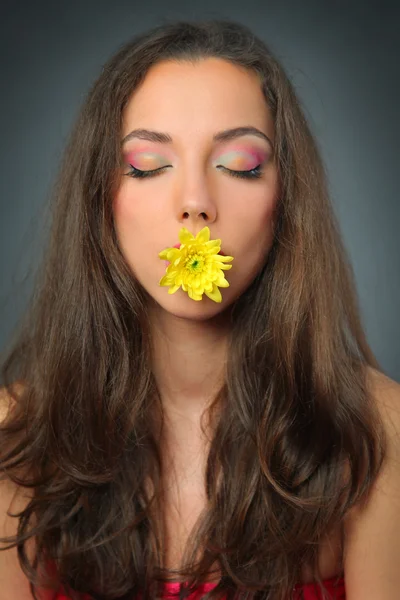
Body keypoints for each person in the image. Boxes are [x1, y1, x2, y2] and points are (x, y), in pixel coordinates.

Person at [0, 18, 399, 600]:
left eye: (239, 165)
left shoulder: (382, 432)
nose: (194, 204)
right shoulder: (13, 434)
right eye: (146, 166)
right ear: (99, 200)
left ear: (285, 199)